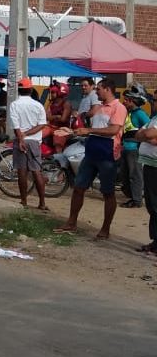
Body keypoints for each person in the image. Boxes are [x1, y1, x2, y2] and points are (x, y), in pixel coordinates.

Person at [57, 78, 128, 240]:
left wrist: (88, 130)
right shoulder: (100, 108)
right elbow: (93, 129)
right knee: (78, 188)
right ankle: (71, 222)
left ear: (108, 89)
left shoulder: (119, 108)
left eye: (99, 89)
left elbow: (113, 130)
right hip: (91, 152)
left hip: (107, 154)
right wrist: (76, 131)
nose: (96, 92)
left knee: (108, 193)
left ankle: (105, 229)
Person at [8, 77, 48, 210]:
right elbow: (42, 124)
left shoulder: (14, 105)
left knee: (22, 172)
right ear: (30, 90)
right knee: (36, 171)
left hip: (21, 140)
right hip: (35, 142)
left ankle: (24, 201)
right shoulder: (38, 105)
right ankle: (42, 203)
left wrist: (21, 138)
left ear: (19, 90)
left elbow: (16, 125)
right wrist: (28, 134)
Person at [118, 85, 150, 208]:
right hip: (126, 149)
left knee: (134, 175)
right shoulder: (129, 113)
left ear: (132, 101)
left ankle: (136, 200)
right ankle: (133, 197)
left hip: (134, 150)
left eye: (126, 100)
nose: (124, 101)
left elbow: (149, 128)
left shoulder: (140, 114)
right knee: (125, 176)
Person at [135, 115, 157, 256]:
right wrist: (148, 137)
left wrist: (147, 135)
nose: (154, 103)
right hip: (150, 165)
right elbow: (138, 135)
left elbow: (148, 134)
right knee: (152, 205)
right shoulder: (154, 118)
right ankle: (156, 242)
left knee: (155, 205)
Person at [45, 83, 73, 153]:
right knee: (38, 134)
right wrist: (56, 116)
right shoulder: (51, 103)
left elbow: (63, 119)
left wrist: (52, 117)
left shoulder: (66, 104)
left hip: (62, 129)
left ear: (59, 93)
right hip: (50, 127)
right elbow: (46, 117)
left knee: (58, 141)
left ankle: (59, 158)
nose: (51, 94)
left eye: (53, 92)